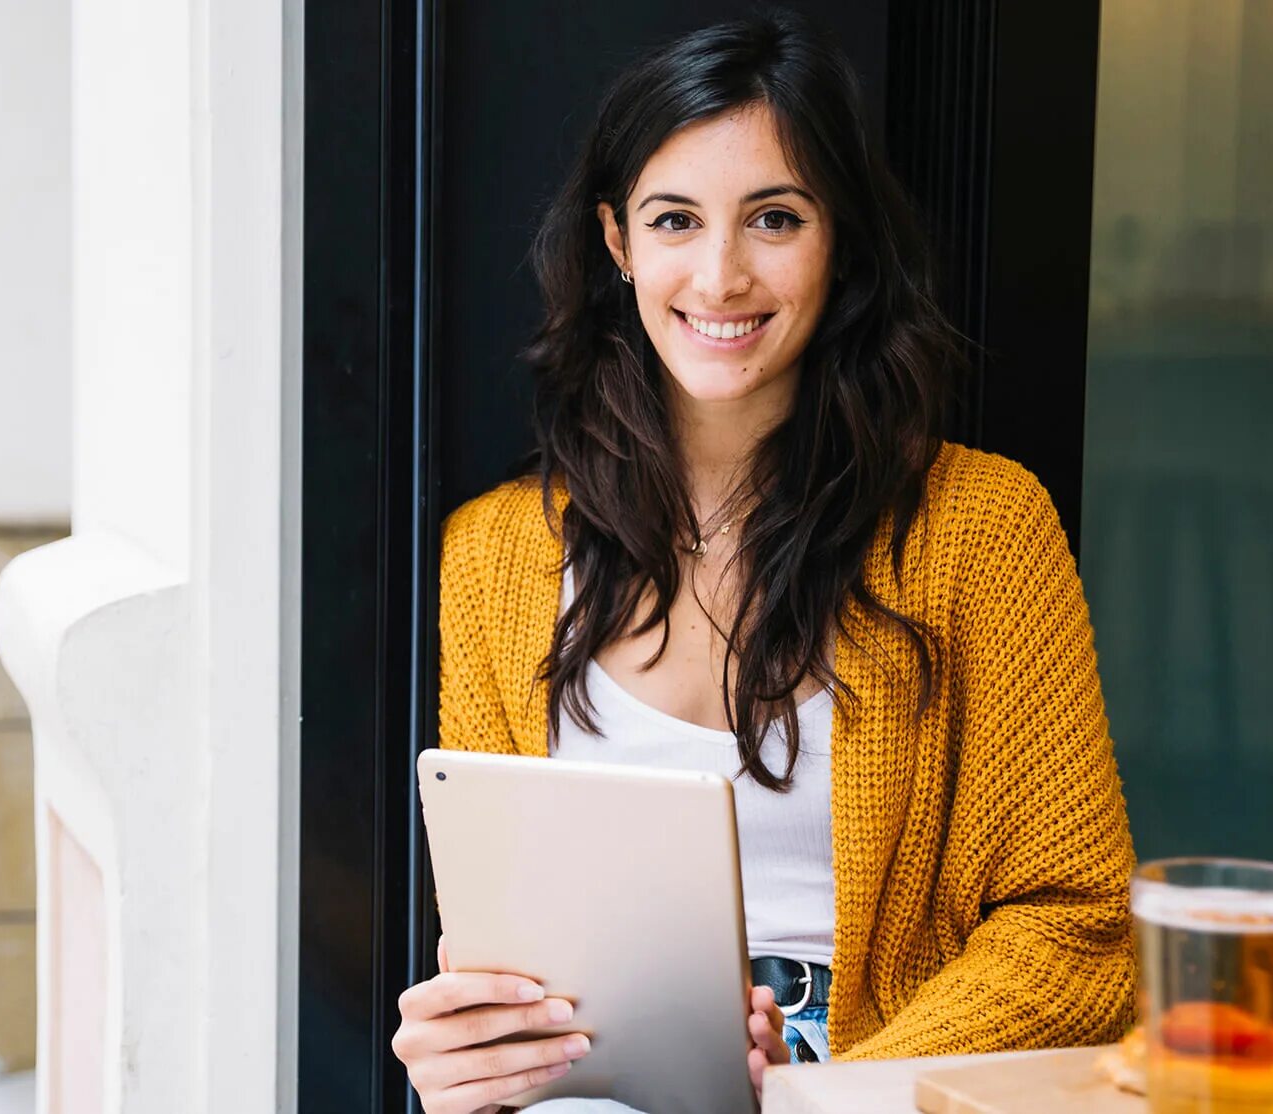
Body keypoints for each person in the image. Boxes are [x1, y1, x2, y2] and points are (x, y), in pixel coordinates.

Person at [389, 11, 1136, 1113]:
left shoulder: (981, 528)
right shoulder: (491, 556)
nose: (722, 274)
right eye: (675, 220)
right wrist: (462, 1065)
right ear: (617, 243)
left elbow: (1081, 932)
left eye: (775, 218)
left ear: (841, 243)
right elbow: (505, 966)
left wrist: (823, 1092)